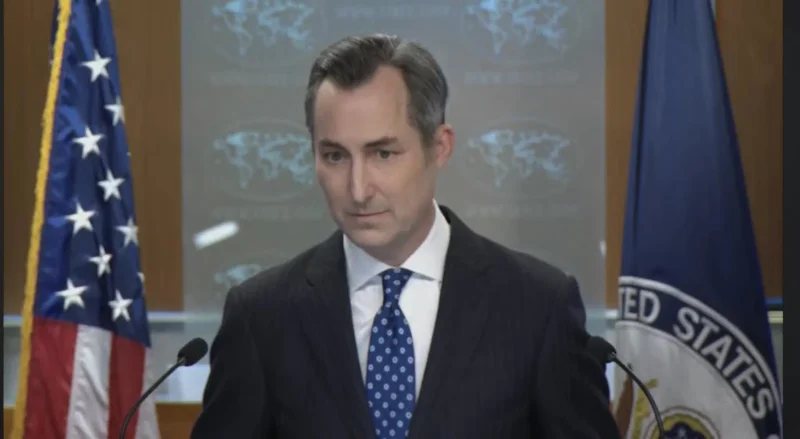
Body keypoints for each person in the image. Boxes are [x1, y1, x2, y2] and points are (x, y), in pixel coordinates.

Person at [190, 33, 620, 439]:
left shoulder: (537, 306)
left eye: (383, 153)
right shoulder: (261, 317)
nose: (358, 189)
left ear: (440, 146)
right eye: (335, 156)